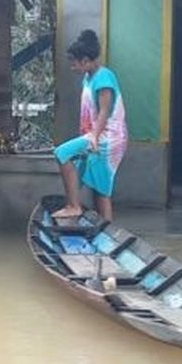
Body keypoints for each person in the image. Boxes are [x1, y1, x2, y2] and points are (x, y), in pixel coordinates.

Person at [51, 30, 127, 221]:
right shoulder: (89, 77)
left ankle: (73, 206)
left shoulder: (103, 78)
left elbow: (104, 110)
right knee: (100, 189)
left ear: (85, 60)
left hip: (107, 137)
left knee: (62, 153)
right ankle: (106, 230)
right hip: (99, 135)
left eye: (74, 62)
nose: (72, 66)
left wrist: (93, 136)